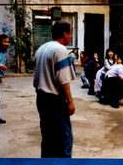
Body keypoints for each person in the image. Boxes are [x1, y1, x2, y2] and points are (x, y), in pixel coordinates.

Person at [33, 20, 76, 158]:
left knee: (48, 138)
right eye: (70, 33)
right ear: (65, 33)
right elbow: (62, 79)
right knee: (64, 139)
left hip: (41, 99)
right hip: (54, 101)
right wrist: (70, 101)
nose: (70, 36)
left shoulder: (41, 48)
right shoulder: (60, 49)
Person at [0, 35, 9, 124]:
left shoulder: (2, 52)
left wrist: (0, 76)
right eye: (5, 42)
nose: (7, 44)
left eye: (7, 42)